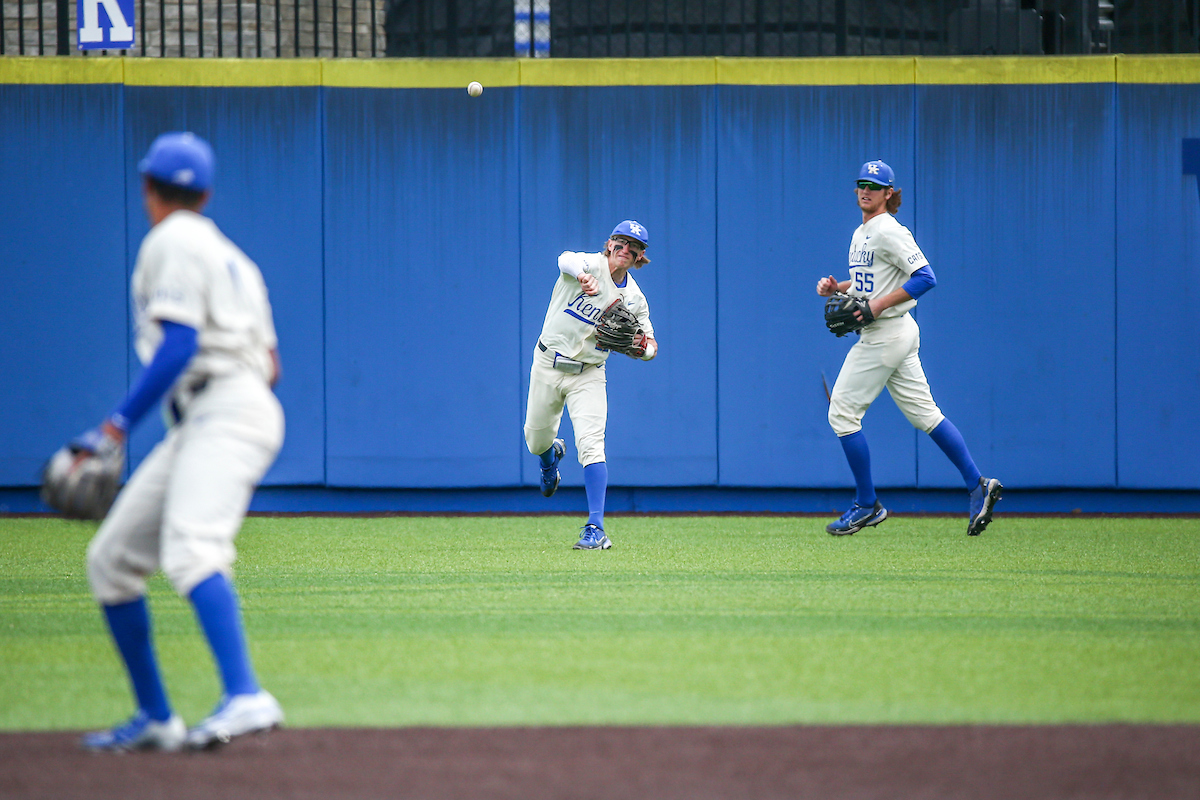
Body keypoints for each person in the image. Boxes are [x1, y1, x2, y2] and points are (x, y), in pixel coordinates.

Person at [75, 132, 286, 751]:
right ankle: (156, 718)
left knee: (192, 549)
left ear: (148, 189)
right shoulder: (233, 258)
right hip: (229, 407)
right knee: (111, 561)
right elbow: (272, 366)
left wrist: (114, 425)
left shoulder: (169, 241)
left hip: (221, 410)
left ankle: (246, 695)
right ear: (206, 193)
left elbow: (178, 345)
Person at [816, 160, 1002, 536]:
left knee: (842, 414)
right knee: (926, 416)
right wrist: (841, 288)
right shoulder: (862, 231)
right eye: (861, 184)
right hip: (895, 332)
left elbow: (925, 277)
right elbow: (874, 282)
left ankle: (867, 505)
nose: (865, 190)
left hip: (886, 333)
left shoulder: (889, 230)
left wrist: (878, 305)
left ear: (889, 193)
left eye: (874, 185)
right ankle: (978, 485)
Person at [524, 220, 658, 550]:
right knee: (534, 439)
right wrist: (582, 276)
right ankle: (549, 458)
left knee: (591, 445)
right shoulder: (587, 264)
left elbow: (651, 344)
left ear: (640, 256)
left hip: (589, 373)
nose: (625, 249)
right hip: (548, 362)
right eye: (620, 242)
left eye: (633, 246)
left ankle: (595, 527)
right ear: (609, 243)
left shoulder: (634, 299)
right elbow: (564, 259)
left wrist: (644, 349)